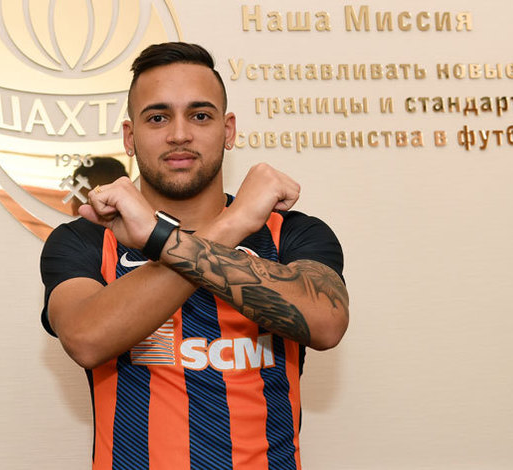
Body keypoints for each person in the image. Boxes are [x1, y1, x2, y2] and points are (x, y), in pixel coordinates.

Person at [40, 42, 349, 469]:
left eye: (200, 115)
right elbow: (86, 340)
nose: (179, 134)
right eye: (158, 117)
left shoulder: (290, 234)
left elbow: (327, 323)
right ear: (130, 137)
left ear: (229, 130)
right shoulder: (88, 240)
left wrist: (159, 239)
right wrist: (233, 224)